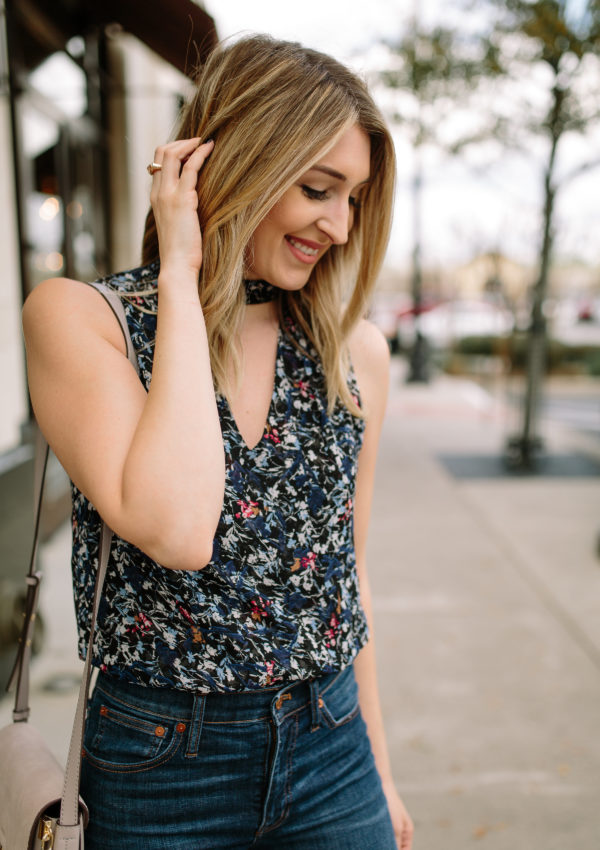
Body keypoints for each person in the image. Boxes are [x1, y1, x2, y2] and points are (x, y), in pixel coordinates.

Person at [23, 34, 414, 850]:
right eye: (318, 189)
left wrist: (376, 759)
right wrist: (181, 274)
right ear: (234, 164)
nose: (340, 226)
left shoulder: (351, 353)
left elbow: (351, 574)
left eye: (355, 198)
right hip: (163, 766)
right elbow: (177, 527)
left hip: (332, 744)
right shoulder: (84, 321)